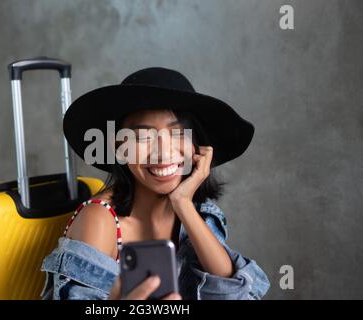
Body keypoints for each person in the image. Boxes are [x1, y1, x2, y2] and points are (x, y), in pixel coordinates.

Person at [40, 67, 270, 300]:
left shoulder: (195, 211)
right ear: (119, 148)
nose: (163, 152)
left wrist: (183, 204)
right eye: (142, 137)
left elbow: (236, 294)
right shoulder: (100, 219)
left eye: (178, 133)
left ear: (197, 144)